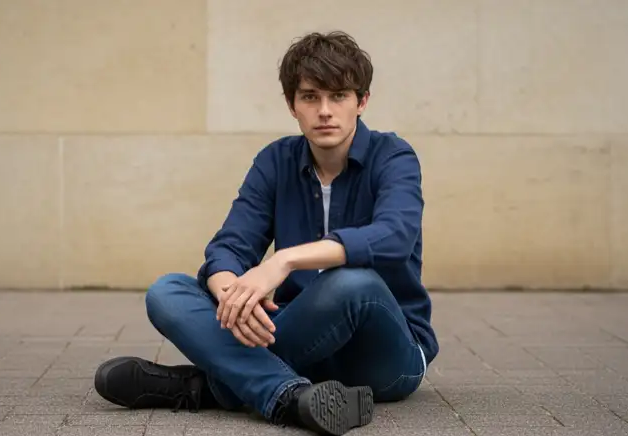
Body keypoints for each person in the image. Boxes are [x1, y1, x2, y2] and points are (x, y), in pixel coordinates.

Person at [93, 30, 439, 436]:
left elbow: (394, 236)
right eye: (310, 96)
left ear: (362, 101)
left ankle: (205, 386)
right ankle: (290, 396)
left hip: (383, 355)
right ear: (292, 105)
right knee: (168, 292)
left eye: (339, 96)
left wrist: (283, 261)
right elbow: (229, 247)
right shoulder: (276, 161)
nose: (325, 110)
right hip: (299, 338)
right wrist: (231, 295)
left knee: (352, 282)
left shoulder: (393, 156)